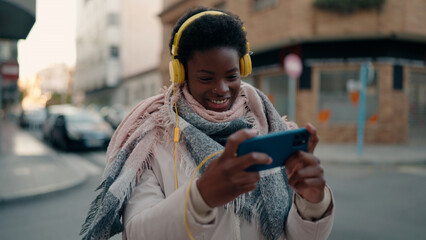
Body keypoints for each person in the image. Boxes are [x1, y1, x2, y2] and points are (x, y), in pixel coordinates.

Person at [81, 7, 334, 240]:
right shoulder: (153, 137)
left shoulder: (268, 124)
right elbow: (137, 232)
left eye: (232, 76)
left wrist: (312, 204)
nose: (222, 89)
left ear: (243, 68)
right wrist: (201, 198)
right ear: (180, 75)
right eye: (206, 78)